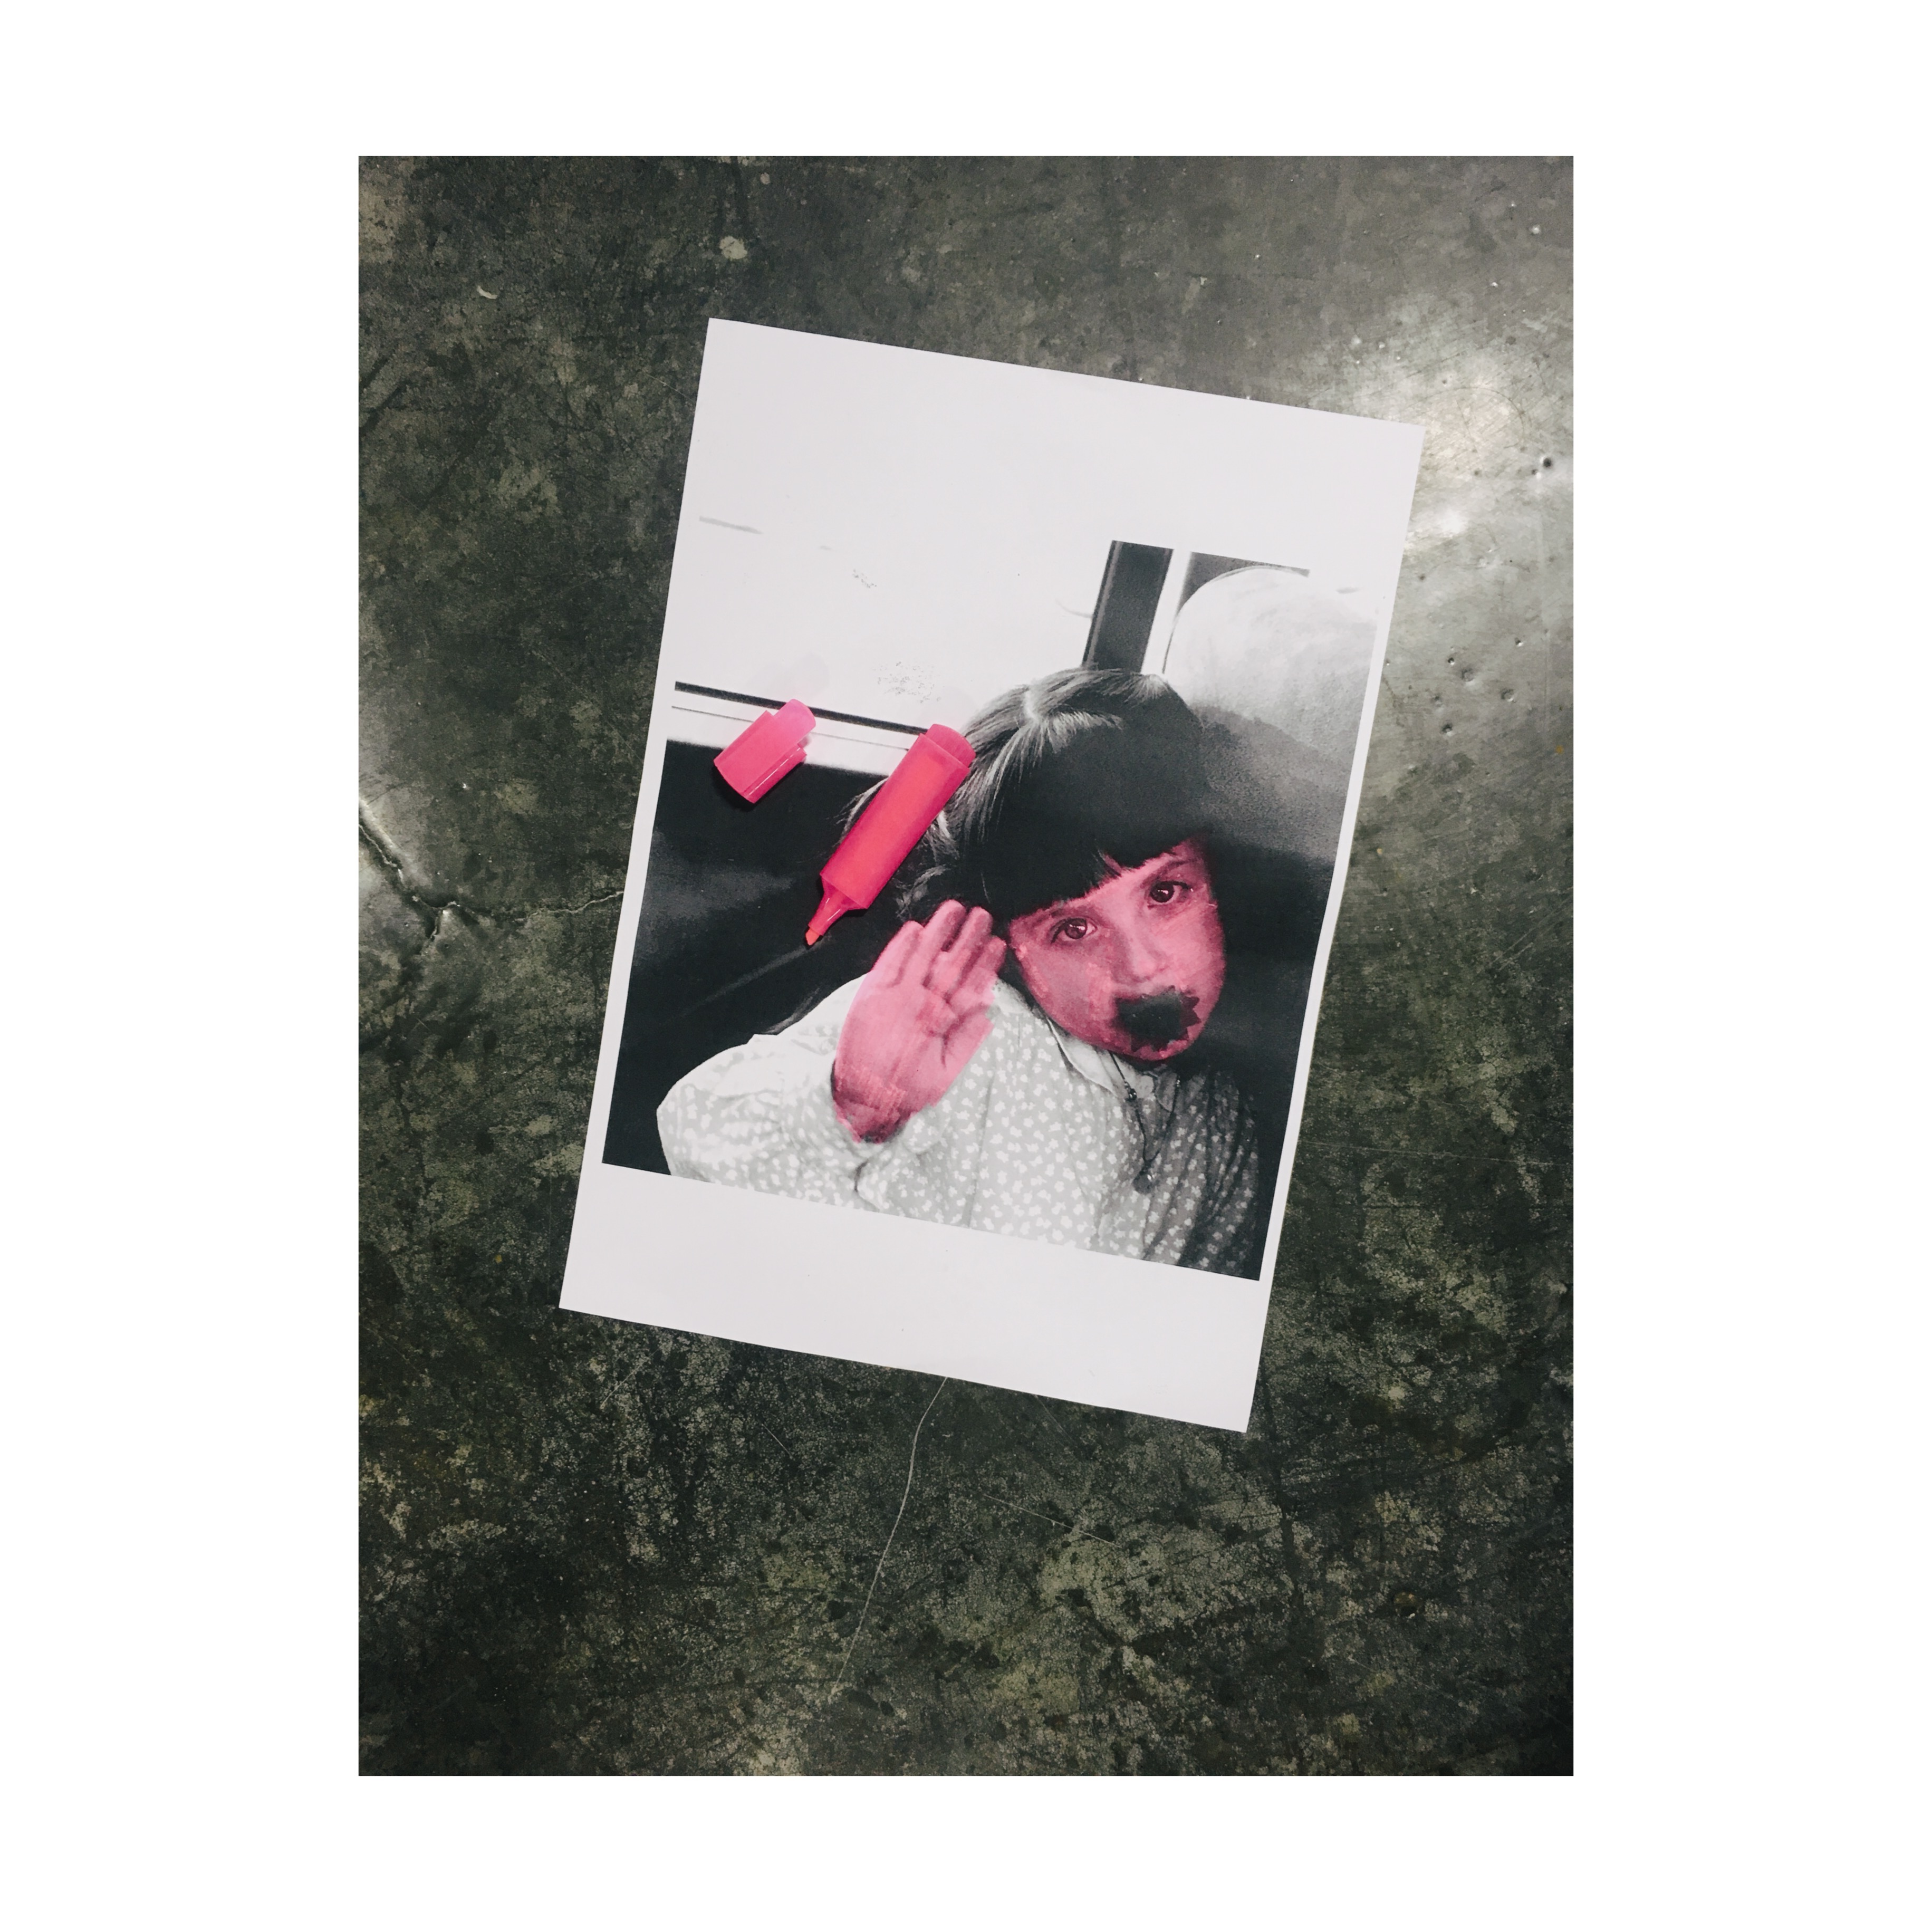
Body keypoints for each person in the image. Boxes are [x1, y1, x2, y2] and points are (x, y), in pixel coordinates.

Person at [657, 668, 1265, 1277]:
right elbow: (698, 1134)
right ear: (1003, 943)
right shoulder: (961, 1021)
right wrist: (852, 1105)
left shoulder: (1222, 1119)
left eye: (1166, 893)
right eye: (1074, 929)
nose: (1142, 965)